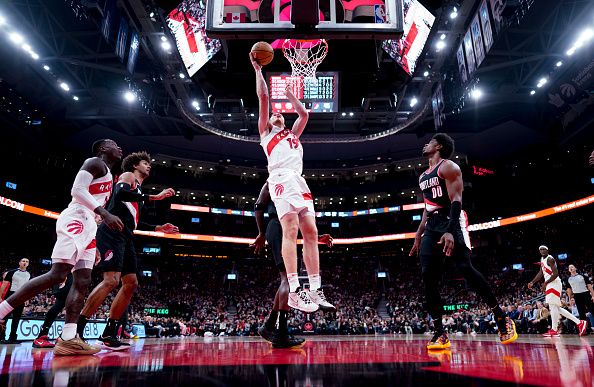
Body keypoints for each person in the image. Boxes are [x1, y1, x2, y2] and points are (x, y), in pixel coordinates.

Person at [0, 139, 124, 355]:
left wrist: (93, 238)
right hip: (76, 217)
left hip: (90, 226)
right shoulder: (95, 162)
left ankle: (68, 337)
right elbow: (77, 190)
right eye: (114, 144)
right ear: (103, 149)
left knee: (83, 281)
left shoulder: (109, 177)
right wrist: (104, 213)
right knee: (58, 274)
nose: (119, 147)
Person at [409, 133, 518, 350]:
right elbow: (426, 208)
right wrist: (419, 233)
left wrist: (450, 231)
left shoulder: (449, 167)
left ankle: (501, 317)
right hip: (432, 224)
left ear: (438, 146)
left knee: (465, 268)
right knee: (427, 275)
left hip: (452, 218)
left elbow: (456, 200)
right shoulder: (422, 177)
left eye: (430, 141)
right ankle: (440, 332)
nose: (425, 144)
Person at [250, 52, 334, 314]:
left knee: (311, 230)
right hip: (281, 178)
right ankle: (296, 290)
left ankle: (315, 288)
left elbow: (304, 114)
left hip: (298, 180)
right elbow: (263, 98)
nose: (276, 114)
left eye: (279, 114)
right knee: (291, 228)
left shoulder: (292, 134)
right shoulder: (266, 132)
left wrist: (289, 97)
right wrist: (258, 70)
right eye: (274, 114)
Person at [77, 151, 178, 350]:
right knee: (111, 281)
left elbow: (134, 223)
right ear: (134, 165)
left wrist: (157, 228)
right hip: (111, 230)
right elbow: (119, 193)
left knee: (131, 283)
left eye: (149, 163)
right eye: (144, 162)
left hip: (126, 234)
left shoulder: (138, 190)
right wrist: (154, 197)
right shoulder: (128, 177)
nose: (148, 165)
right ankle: (76, 331)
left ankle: (109, 334)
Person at [251, 182, 334, 348]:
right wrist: (260, 233)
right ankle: (281, 334)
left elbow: (299, 221)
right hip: (277, 226)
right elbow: (259, 205)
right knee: (288, 280)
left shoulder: (295, 181)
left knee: (286, 279)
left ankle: (269, 327)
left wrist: (314, 237)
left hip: (283, 228)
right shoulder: (274, 179)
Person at [528, 246, 587, 337]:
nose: (542, 251)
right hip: (550, 284)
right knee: (555, 308)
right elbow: (541, 272)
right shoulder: (542, 260)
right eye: (541, 249)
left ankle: (554, 329)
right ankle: (579, 323)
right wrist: (532, 282)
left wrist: (545, 283)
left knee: (553, 306)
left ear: (548, 250)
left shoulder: (550, 259)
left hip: (554, 283)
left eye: (544, 249)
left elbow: (555, 274)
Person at [32, 273, 73, 348]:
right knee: (70, 308)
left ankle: (44, 336)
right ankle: (62, 337)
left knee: (61, 307)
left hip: (64, 278)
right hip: (66, 277)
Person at [0, 258, 31, 343]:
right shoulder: (11, 272)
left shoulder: (29, 274)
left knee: (16, 318)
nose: (25, 263)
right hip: (11, 296)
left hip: (22, 297)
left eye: (27, 262)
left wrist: (27, 298)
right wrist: (0, 297)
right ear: (19, 263)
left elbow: (28, 288)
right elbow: (4, 285)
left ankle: (12, 338)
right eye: (23, 261)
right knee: (4, 318)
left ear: (28, 264)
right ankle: (1, 337)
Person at [565, 264, 594, 333]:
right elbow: (569, 290)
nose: (570, 268)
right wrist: (570, 299)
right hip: (577, 296)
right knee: (581, 313)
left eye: (572, 267)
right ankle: (585, 329)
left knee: (592, 310)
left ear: (575, 268)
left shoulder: (582, 276)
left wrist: (593, 295)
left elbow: (589, 286)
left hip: (585, 294)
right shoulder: (568, 279)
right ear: (569, 270)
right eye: (569, 268)